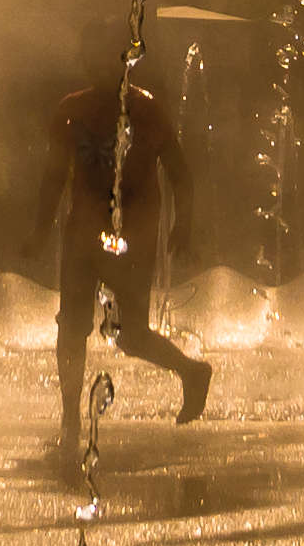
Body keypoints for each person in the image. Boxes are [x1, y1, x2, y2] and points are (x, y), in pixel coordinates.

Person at [41, 61, 213, 432]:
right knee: (72, 325)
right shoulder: (71, 110)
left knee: (131, 335)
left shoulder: (147, 109)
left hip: (133, 234)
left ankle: (191, 371)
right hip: (82, 233)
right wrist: (40, 229)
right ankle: (70, 416)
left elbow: (180, 173)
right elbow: (54, 174)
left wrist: (183, 224)